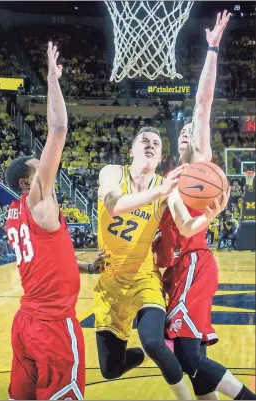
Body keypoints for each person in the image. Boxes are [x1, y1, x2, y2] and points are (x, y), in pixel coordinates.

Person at [154, 10, 256, 400]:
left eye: (190, 131)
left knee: (190, 356)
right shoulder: (168, 179)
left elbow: (201, 104)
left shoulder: (199, 165)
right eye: (179, 132)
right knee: (185, 354)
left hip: (195, 261)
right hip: (175, 269)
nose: (186, 133)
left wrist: (212, 48)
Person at [95, 126, 228, 400]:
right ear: (131, 151)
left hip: (145, 278)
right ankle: (141, 354)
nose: (151, 145)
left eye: (156, 143)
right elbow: (114, 205)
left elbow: (188, 227)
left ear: (159, 159)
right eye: (144, 141)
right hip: (110, 283)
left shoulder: (165, 188)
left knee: (155, 341)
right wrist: (160, 193)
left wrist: (210, 217)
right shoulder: (111, 172)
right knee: (109, 369)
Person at [5, 42, 89, 401]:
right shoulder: (38, 197)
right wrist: (52, 80)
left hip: (26, 323)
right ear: (27, 182)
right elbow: (58, 127)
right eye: (38, 166)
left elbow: (45, 261)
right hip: (53, 326)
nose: (47, 167)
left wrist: (84, 266)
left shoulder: (15, 215)